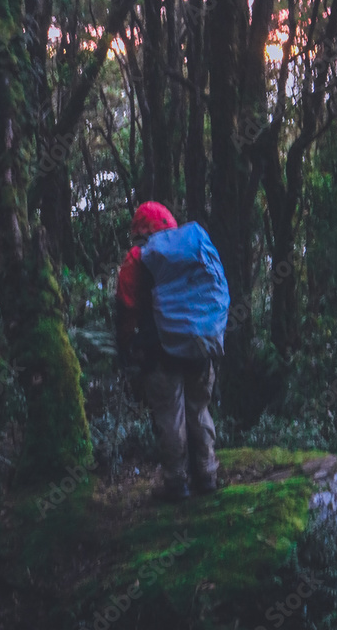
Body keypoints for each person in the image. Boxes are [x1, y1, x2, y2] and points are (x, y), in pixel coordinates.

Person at [115, 201, 225, 502]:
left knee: (170, 416)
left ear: (139, 231)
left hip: (160, 351)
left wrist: (124, 345)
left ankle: (177, 484)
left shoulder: (138, 257)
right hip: (201, 348)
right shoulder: (191, 249)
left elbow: (126, 305)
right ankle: (207, 475)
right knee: (199, 410)